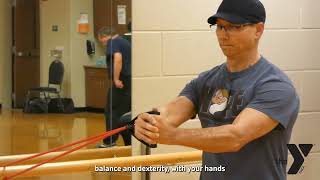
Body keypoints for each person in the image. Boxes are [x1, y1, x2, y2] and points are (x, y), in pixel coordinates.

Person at [134, 0, 300, 179]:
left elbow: (235, 137)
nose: (223, 35)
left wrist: (173, 135)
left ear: (258, 30)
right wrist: (148, 122)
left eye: (234, 27)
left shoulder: (276, 86)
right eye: (220, 27)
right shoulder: (206, 80)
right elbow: (170, 113)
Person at [97, 26, 132, 148]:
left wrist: (116, 79)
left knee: (111, 111)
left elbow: (118, 59)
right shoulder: (125, 41)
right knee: (124, 114)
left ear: (104, 37)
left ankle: (110, 141)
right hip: (129, 82)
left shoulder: (114, 41)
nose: (104, 45)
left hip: (122, 82)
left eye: (102, 42)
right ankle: (129, 143)